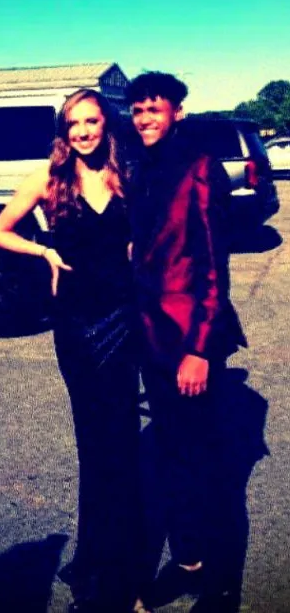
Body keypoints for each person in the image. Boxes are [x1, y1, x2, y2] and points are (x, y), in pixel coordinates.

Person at [0, 89, 143, 613]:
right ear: (63, 130)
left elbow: (137, 241)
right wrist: (44, 249)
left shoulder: (126, 176)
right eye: (74, 123)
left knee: (121, 446)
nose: (83, 131)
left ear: (106, 124)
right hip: (77, 325)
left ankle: (115, 567)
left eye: (92, 121)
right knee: (96, 448)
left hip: (124, 320)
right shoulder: (48, 180)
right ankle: (99, 575)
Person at [125, 72, 247, 609]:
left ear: (178, 111)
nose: (146, 118)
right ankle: (189, 562)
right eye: (138, 110)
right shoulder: (142, 167)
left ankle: (220, 583)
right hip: (151, 337)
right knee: (173, 458)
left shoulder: (199, 166)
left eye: (155, 109)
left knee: (207, 464)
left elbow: (213, 266)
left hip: (190, 338)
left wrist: (199, 349)